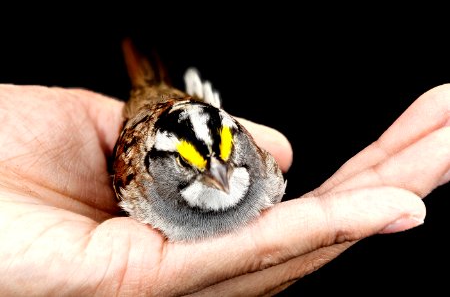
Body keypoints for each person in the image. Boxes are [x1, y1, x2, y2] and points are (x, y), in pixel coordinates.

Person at [0, 83, 448, 296]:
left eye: (228, 158)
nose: (221, 175)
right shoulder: (134, 177)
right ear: (154, 167)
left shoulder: (258, 168)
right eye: (189, 165)